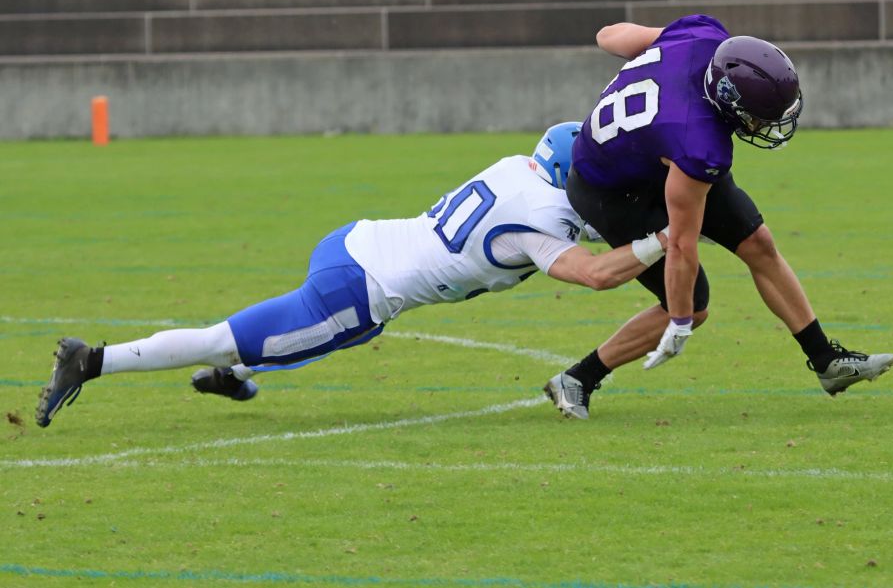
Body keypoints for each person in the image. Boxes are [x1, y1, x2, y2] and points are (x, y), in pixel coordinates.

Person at [36, 122, 670, 428]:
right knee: (223, 336)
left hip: (356, 241)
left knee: (312, 337)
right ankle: (90, 360)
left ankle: (235, 378)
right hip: (360, 290)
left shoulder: (516, 168)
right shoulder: (541, 213)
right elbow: (592, 274)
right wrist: (666, 237)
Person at [543, 15, 893, 420]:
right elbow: (681, 244)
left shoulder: (703, 36)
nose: (766, 125)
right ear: (728, 101)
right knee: (694, 304)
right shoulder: (699, 142)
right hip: (609, 190)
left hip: (654, 154)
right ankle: (578, 378)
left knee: (758, 243)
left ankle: (825, 361)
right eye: (760, 116)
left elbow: (607, 35)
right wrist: (678, 321)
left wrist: (643, 53)